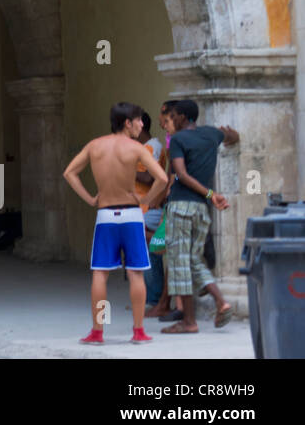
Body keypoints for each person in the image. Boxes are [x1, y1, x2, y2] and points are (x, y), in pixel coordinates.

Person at [62, 102, 168, 345]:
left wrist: (90, 199)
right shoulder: (136, 148)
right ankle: (139, 332)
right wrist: (147, 200)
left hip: (106, 216)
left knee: (100, 274)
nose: (142, 125)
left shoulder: (94, 146)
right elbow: (161, 178)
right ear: (126, 123)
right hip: (131, 215)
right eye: (139, 120)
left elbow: (69, 173)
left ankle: (97, 332)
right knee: (136, 274)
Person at [162, 99, 237, 334]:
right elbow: (232, 136)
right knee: (193, 260)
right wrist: (229, 136)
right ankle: (221, 302)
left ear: (183, 117)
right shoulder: (211, 134)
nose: (170, 120)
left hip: (182, 207)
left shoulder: (178, 140)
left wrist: (211, 193)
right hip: (201, 210)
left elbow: (181, 174)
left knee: (179, 263)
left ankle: (189, 321)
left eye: (173, 116)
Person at [134, 110, 169, 314]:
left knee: (150, 250)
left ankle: (154, 299)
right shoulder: (142, 148)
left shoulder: (151, 148)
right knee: (149, 250)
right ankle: (151, 298)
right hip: (141, 207)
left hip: (149, 208)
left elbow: (149, 178)